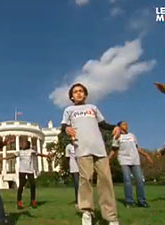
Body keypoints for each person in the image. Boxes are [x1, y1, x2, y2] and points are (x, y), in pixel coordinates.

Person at [61, 83, 120, 225]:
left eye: (81, 91)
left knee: (105, 180)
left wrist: (116, 126)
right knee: (85, 180)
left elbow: (104, 124)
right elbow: (64, 126)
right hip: (82, 148)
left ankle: (110, 216)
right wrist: (67, 129)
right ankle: (87, 211)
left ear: (85, 94)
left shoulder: (92, 108)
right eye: (75, 92)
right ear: (71, 96)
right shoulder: (69, 110)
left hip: (99, 148)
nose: (79, 93)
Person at [109, 121, 153, 208]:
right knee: (127, 180)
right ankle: (129, 201)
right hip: (124, 160)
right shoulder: (117, 137)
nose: (126, 126)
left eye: (127, 124)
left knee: (140, 180)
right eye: (124, 124)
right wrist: (108, 159)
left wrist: (146, 155)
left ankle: (142, 201)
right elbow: (114, 149)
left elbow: (137, 148)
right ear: (119, 127)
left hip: (135, 160)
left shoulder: (132, 135)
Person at [3, 140, 50, 209]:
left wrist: (47, 156)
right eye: (22, 143)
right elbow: (13, 156)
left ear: (27, 145)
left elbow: (39, 154)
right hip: (22, 171)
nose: (22, 144)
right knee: (21, 186)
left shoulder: (31, 151)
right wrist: (4, 158)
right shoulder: (20, 152)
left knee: (33, 185)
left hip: (30, 171)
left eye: (24, 143)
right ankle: (19, 202)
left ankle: (33, 201)